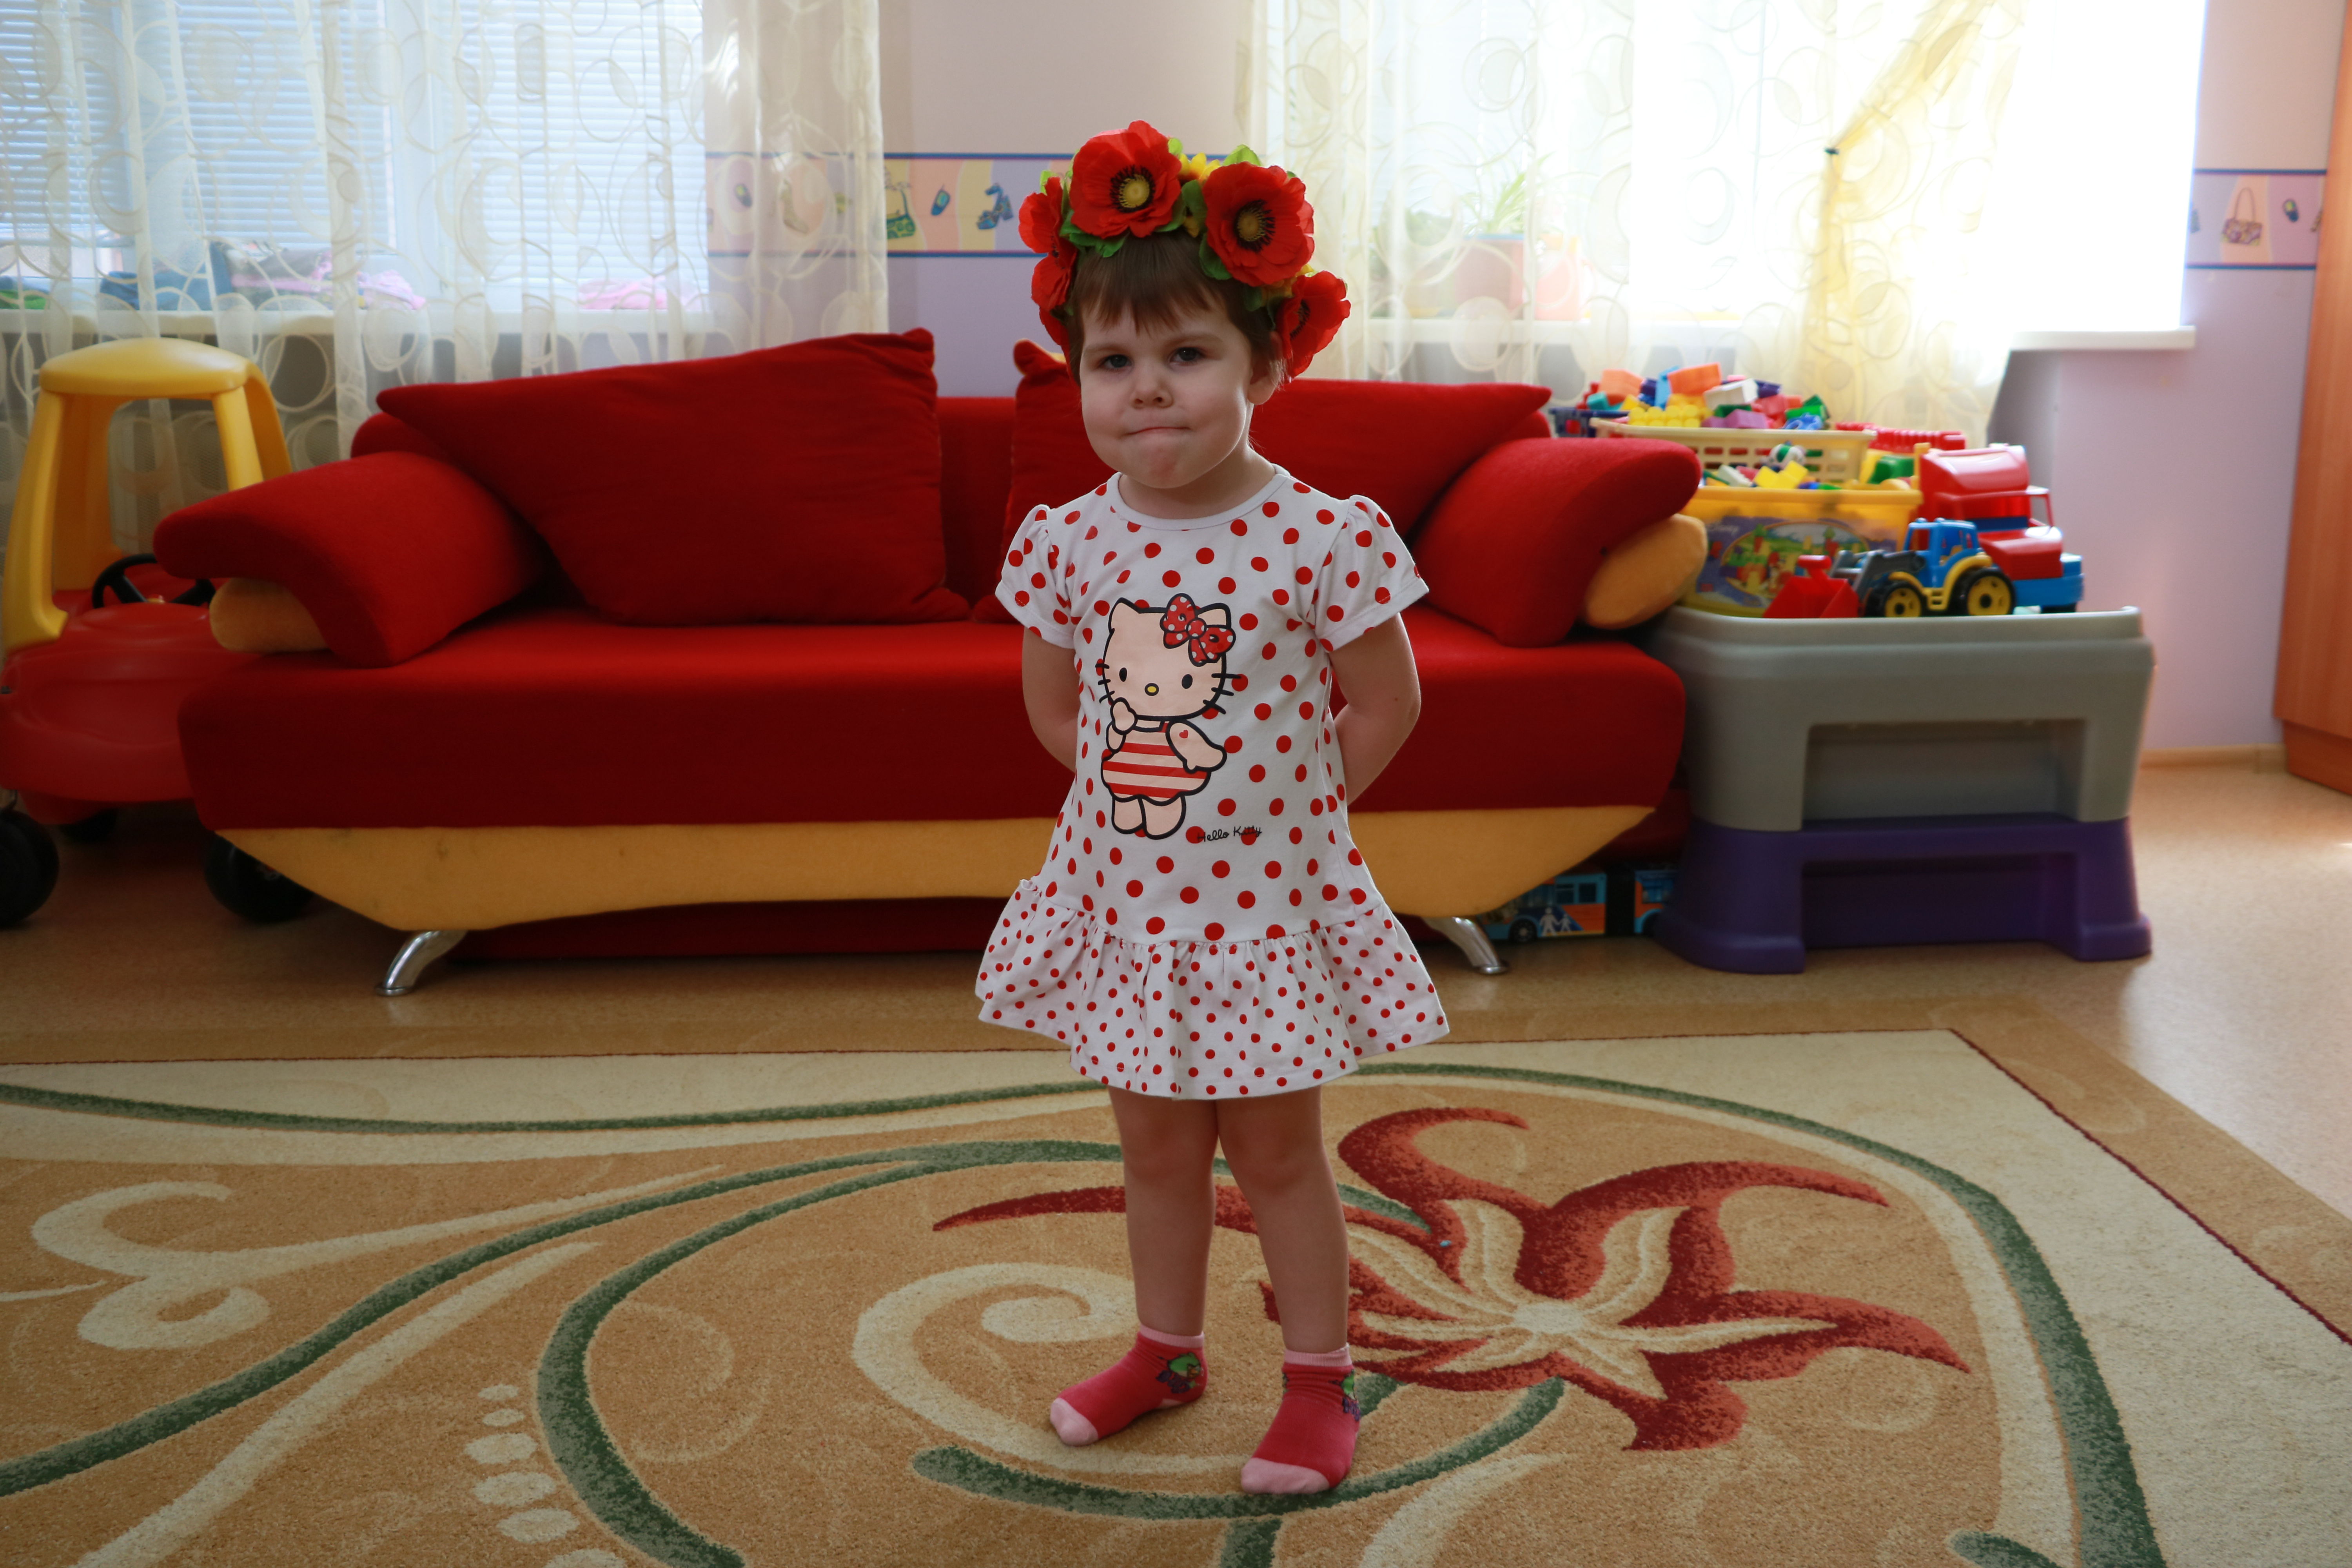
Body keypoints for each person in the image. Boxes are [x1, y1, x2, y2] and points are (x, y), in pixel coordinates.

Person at [975, 121, 1448, 1495]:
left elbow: (1387, 703)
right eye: (1111, 362)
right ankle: (1165, 1352)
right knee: (1152, 1147)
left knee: (1281, 1156)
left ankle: (1317, 1382)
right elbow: (1057, 711)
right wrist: (1138, 816)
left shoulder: (1327, 535)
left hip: (1263, 917)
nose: (1146, 391)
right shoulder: (1067, 540)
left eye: (1186, 355)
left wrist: (1293, 819)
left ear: (1266, 365)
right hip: (1131, 907)